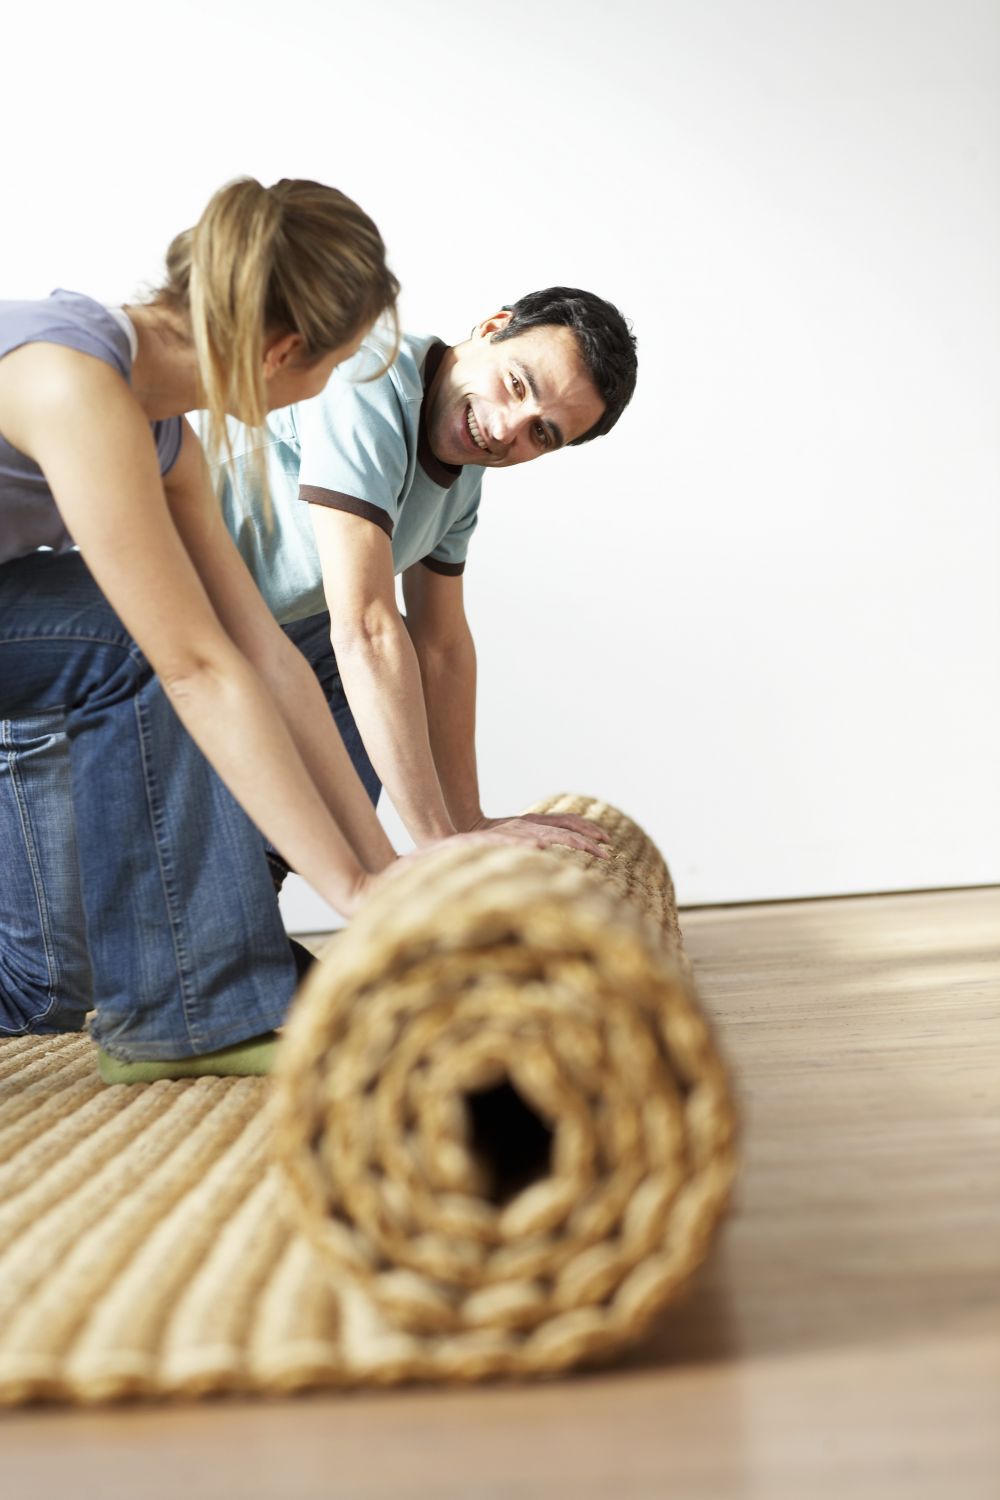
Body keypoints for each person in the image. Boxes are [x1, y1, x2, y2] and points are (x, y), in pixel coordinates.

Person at [0, 176, 448, 1084]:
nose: (324, 390)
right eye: (334, 365)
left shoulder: (164, 437)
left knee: (43, 987)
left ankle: (192, 999)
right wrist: (350, 892)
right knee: (138, 637)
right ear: (285, 351)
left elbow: (262, 655)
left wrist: (381, 868)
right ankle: (191, 1012)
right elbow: (195, 668)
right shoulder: (69, 380)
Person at [214, 287, 637, 874]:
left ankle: (253, 890)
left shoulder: (462, 484)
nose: (505, 429)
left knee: (401, 652)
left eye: (541, 434)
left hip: (241, 634)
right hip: (135, 619)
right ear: (493, 326)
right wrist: (440, 842)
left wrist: (472, 822)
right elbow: (363, 624)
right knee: (372, 650)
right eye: (517, 385)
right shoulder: (369, 375)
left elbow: (441, 646)